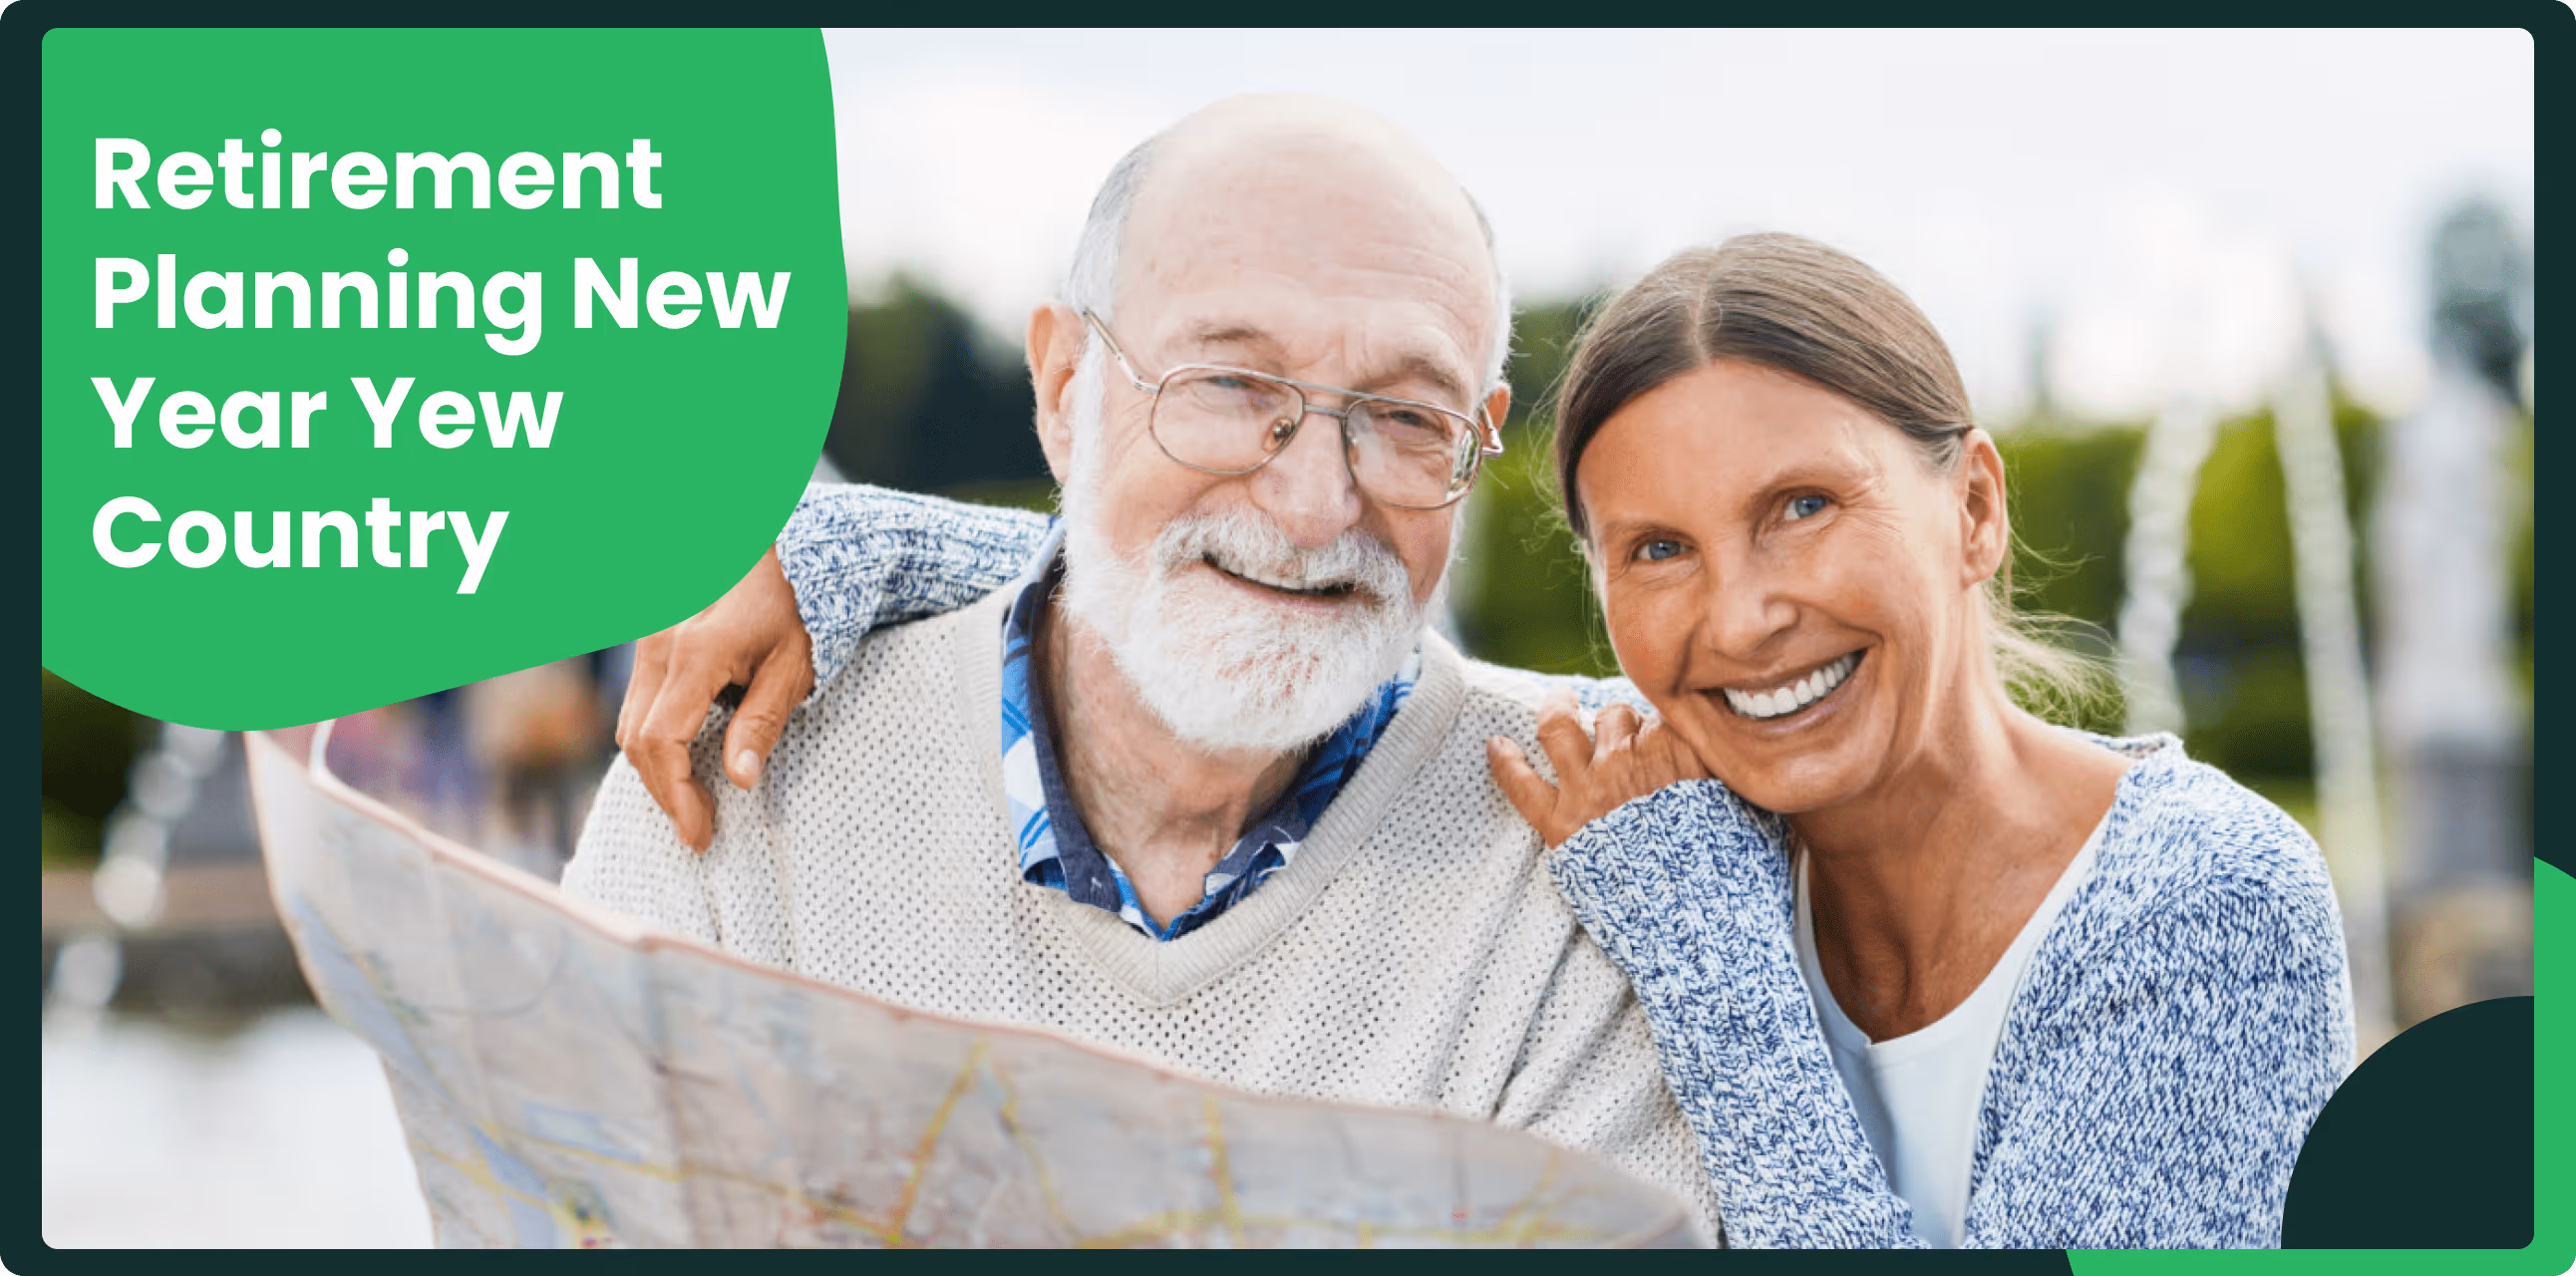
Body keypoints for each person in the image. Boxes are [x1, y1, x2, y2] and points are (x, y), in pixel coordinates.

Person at [622, 235, 2355, 1247]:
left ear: (1971, 507)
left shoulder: (2196, 902)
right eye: (1656, 551)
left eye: (1803, 508)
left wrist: (1701, 946)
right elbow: (1265, 600)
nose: (1743, 616)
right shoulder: (1667, 790)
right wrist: (837, 545)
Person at [564, 94, 1722, 1240]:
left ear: (1479, 431)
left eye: (1407, 415)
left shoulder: (1598, 848)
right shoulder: (746, 769)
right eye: (1230, 385)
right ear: (1065, 388)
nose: (1314, 505)